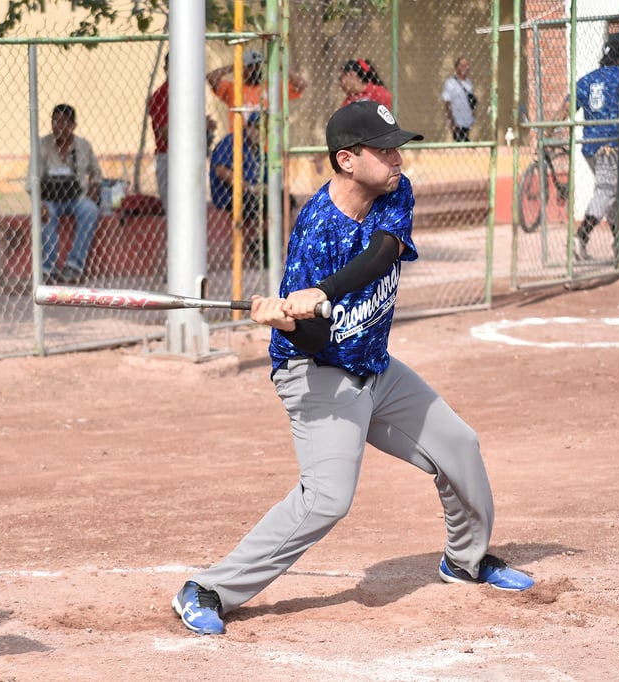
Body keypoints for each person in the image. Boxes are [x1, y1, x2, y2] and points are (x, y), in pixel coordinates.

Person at [172, 101, 535, 637]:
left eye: (397, 147)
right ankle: (207, 589)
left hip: (374, 368)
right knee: (327, 499)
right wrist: (286, 319)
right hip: (316, 374)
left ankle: (465, 560)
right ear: (346, 159)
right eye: (384, 149)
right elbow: (316, 339)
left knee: (459, 445)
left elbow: (383, 255)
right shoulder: (315, 229)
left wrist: (323, 292)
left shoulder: (394, 192)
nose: (397, 158)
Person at [562, 37, 619, 261]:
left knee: (613, 197)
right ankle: (581, 237)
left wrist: (546, 133)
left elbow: (567, 108)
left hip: (591, 147)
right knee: (606, 192)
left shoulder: (588, 80)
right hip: (612, 146)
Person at [37, 103, 103, 284]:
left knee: (90, 210)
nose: (59, 126)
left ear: (73, 125)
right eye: (55, 121)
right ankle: (49, 269)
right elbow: (34, 178)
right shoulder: (43, 145)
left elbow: (97, 174)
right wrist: (39, 203)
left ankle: (73, 266)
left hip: (76, 197)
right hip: (50, 198)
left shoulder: (83, 146)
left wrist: (94, 192)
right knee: (45, 214)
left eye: (64, 122)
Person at [148, 53, 217, 212]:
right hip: (170, 157)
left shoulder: (188, 93)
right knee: (174, 211)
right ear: (166, 69)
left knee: (194, 209)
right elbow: (166, 133)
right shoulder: (162, 95)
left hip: (191, 156)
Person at [209, 112, 268, 264]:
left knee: (284, 200)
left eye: (264, 130)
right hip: (228, 195)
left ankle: (263, 243)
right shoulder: (233, 141)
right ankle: (260, 245)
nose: (259, 133)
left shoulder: (261, 152)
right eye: (256, 128)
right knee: (259, 201)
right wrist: (249, 187)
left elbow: (268, 182)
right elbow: (221, 170)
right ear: (247, 127)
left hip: (253, 194)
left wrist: (266, 189)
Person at [206, 49, 308, 115]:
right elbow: (211, 77)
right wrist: (235, 66)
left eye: (258, 66)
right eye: (251, 67)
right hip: (240, 144)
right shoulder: (233, 89)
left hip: (269, 145)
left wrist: (280, 66)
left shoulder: (274, 87)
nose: (255, 69)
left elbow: (301, 85)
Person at [441, 57, 477, 142]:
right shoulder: (450, 83)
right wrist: (451, 120)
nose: (465, 68)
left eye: (466, 65)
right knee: (460, 142)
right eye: (462, 65)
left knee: (465, 142)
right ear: (456, 67)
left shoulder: (468, 83)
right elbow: (447, 103)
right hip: (457, 121)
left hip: (467, 120)